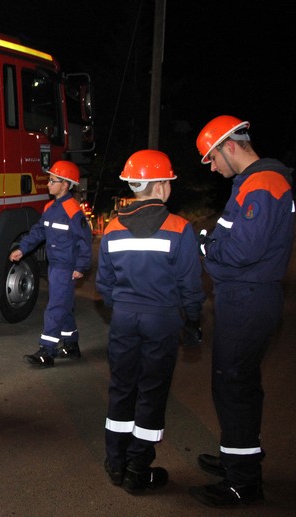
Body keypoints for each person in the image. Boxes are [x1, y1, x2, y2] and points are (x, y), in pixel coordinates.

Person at [189, 116, 295, 507]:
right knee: (239, 384)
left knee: (232, 386)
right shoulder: (254, 182)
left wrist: (206, 248)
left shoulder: (261, 183)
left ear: (229, 146)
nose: (212, 167)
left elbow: (242, 250)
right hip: (247, 296)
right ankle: (238, 456)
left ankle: (243, 482)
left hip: (248, 299)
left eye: (212, 159)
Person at [96, 149, 205, 493]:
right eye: (169, 182)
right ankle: (138, 469)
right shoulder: (180, 228)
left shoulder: (112, 228)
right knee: (152, 391)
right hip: (162, 320)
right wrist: (193, 321)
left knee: (121, 388)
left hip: (124, 319)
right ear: (159, 186)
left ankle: (116, 463)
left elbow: (104, 284)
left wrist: (124, 307)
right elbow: (191, 285)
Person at [10, 160, 92, 367]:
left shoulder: (73, 210)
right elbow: (38, 232)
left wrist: (80, 266)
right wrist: (22, 249)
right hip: (55, 266)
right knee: (64, 306)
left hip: (66, 267)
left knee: (55, 307)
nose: (48, 184)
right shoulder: (50, 208)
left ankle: (47, 351)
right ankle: (71, 346)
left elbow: (84, 240)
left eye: (52, 181)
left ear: (65, 184)